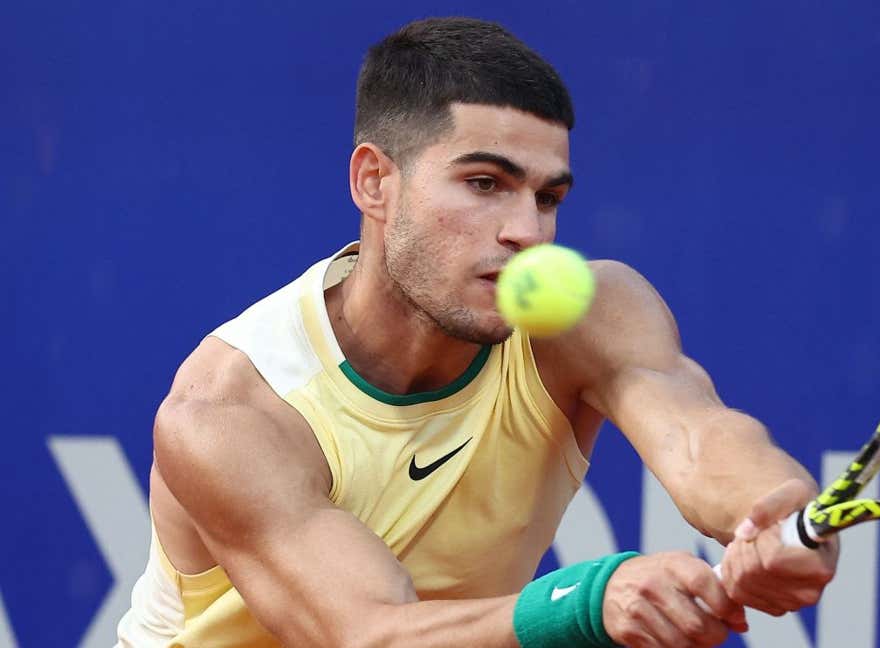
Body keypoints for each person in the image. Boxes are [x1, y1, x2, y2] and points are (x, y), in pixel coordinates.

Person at [116, 16, 838, 648]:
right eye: (485, 183)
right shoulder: (233, 411)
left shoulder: (586, 315)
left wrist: (779, 514)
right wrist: (587, 602)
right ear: (374, 182)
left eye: (547, 195)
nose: (528, 231)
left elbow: (699, 439)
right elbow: (368, 634)